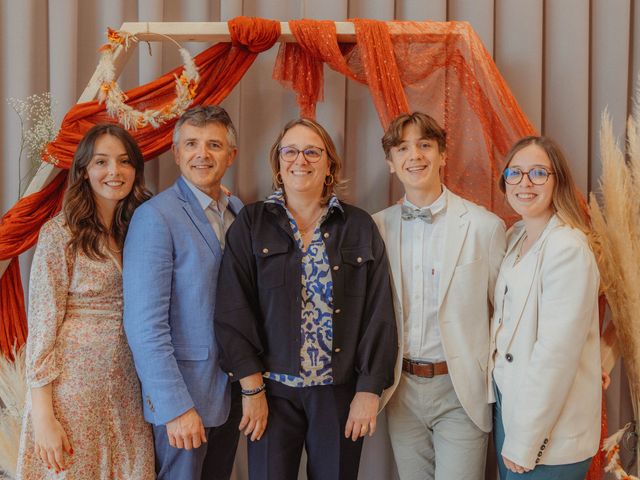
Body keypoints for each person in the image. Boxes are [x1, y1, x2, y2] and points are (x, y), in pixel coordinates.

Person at [214, 118, 397, 480]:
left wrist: (369, 391)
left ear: (329, 163)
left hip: (338, 394)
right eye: (291, 151)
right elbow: (233, 309)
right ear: (278, 163)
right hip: (271, 392)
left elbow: (380, 313)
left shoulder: (358, 225)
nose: (301, 159)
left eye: (313, 151)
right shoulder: (251, 224)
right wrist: (252, 390)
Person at [16, 123, 154, 479]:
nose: (114, 172)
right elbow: (43, 325)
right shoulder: (60, 234)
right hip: (72, 391)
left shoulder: (140, 227)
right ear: (84, 171)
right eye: (102, 162)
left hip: (126, 389)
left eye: (124, 162)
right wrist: (44, 415)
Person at [373, 112, 506, 480]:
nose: (414, 156)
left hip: (460, 389)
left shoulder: (485, 227)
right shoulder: (376, 228)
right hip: (401, 389)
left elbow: (507, 314)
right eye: (403, 148)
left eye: (425, 145)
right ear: (391, 163)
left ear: (443, 155)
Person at [123, 106, 243, 480]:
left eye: (213, 144)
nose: (201, 154)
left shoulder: (236, 210)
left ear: (230, 155)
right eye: (191, 144)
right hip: (184, 399)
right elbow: (145, 326)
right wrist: (174, 407)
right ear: (176, 153)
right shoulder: (155, 217)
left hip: (230, 394)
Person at [489, 136, 601, 479]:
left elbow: (556, 355)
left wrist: (525, 440)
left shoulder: (567, 248)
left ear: (558, 181)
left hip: (548, 430)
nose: (525, 183)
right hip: (510, 408)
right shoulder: (516, 237)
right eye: (516, 173)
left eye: (538, 173)